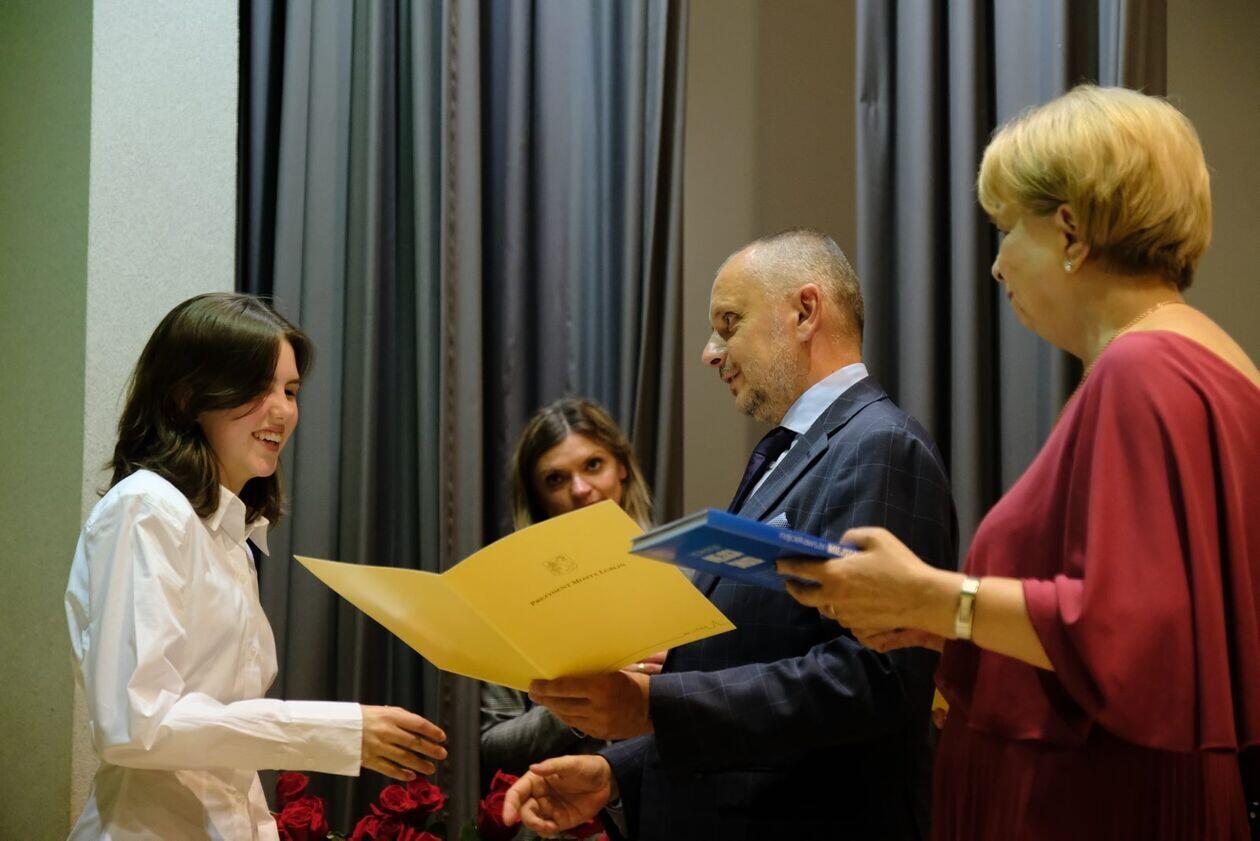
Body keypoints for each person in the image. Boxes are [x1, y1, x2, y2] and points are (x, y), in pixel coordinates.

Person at [776, 86, 1260, 839]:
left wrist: (933, 595)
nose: (998, 266)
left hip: (1095, 803)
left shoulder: (1142, 370)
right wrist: (938, 625)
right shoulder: (1212, 366)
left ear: (1070, 230)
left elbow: (1127, 631)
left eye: (1006, 230)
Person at [505, 230, 959, 839]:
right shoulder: (793, 450)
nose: (710, 352)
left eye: (728, 323)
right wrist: (617, 773)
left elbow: (875, 679)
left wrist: (654, 705)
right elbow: (752, 667)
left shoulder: (879, 443)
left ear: (805, 311)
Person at [65, 293, 448, 840]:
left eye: (290, 391)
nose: (282, 411)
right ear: (187, 397)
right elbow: (134, 723)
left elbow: (225, 753)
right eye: (257, 388)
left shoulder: (229, 535)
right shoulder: (146, 507)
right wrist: (337, 730)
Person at [481, 397, 656, 836]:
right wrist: (583, 700)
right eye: (556, 479)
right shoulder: (515, 599)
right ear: (538, 497)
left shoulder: (688, 574)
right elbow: (493, 744)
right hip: (557, 826)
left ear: (622, 467)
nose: (580, 489)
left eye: (593, 465)